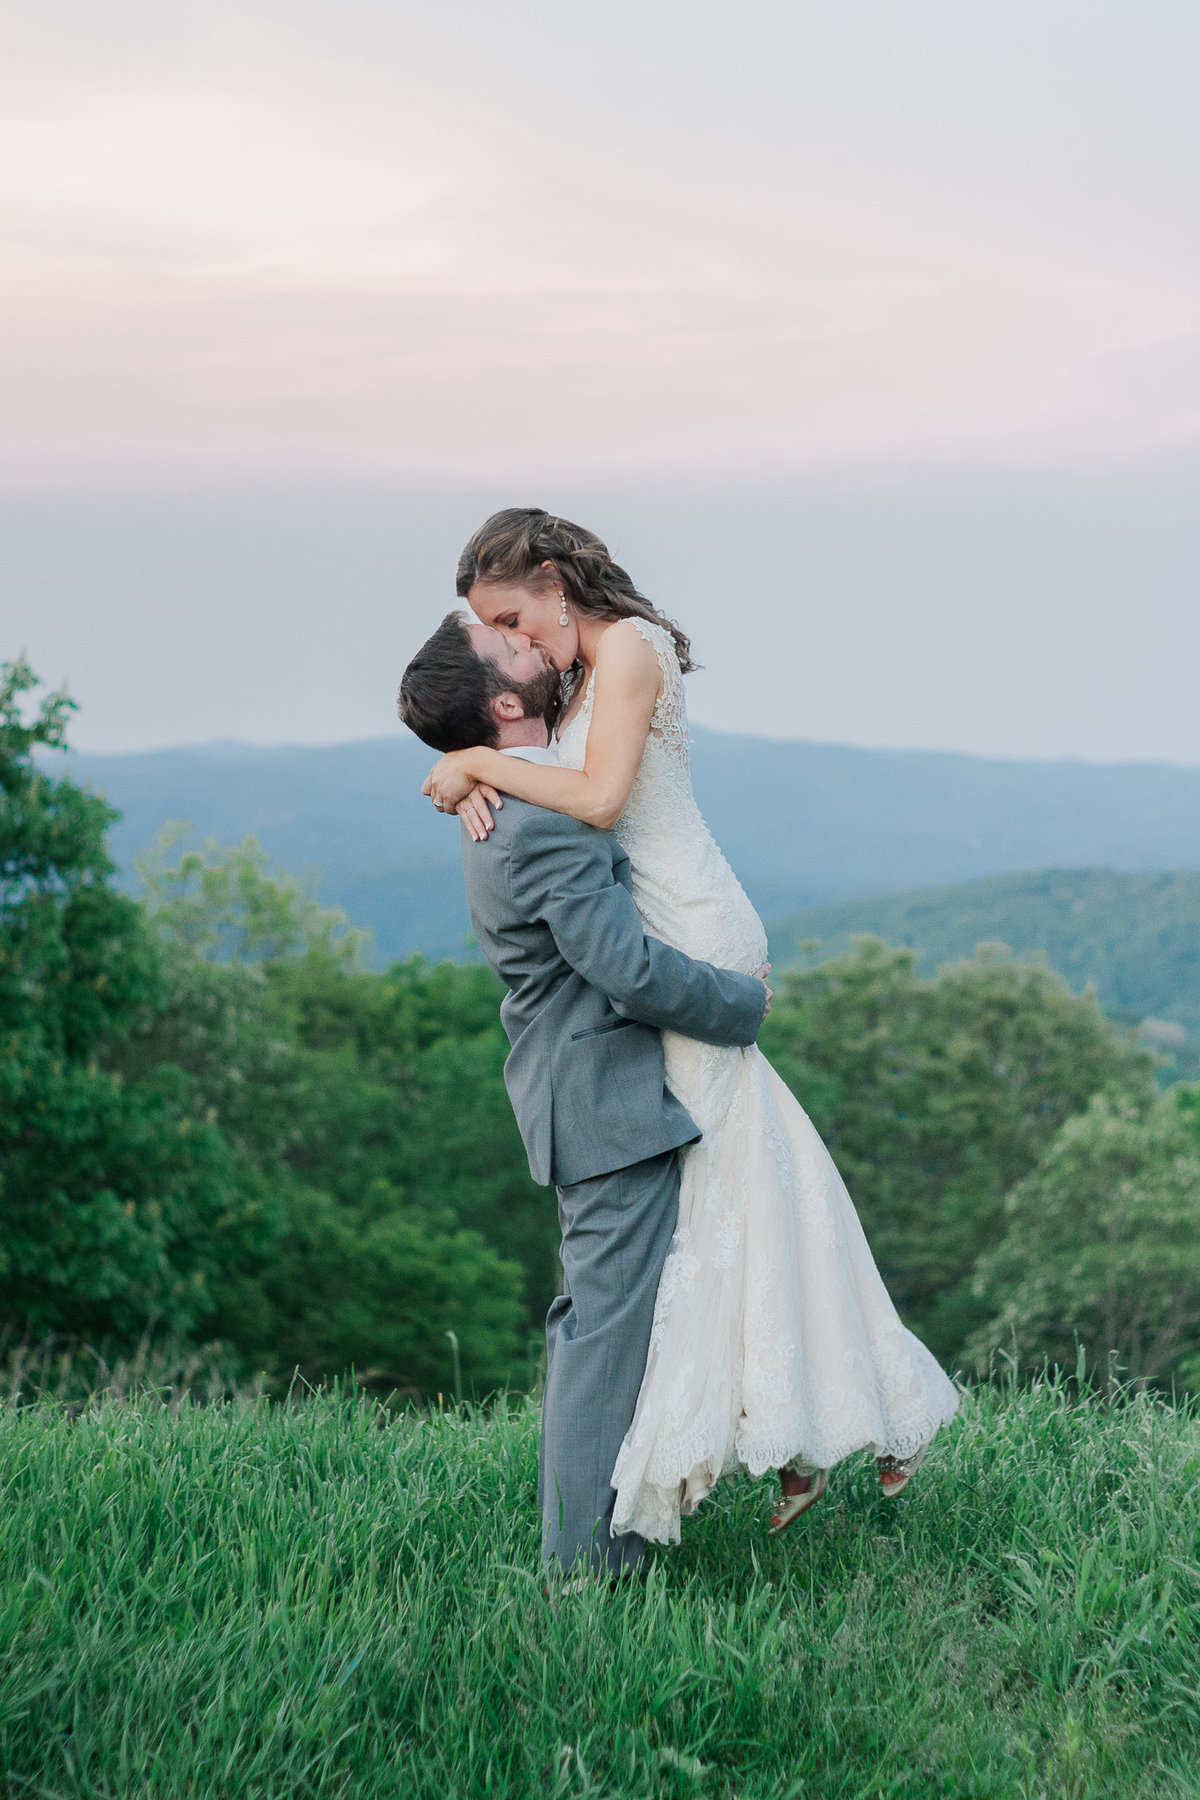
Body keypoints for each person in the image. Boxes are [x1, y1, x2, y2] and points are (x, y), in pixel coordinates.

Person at [417, 508, 960, 1546]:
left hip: (686, 936)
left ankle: (822, 1421)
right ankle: (806, 1426)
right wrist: (475, 756)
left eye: (511, 616)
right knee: (748, 1193)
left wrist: (478, 765)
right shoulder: (571, 667)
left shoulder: (625, 647)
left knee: (742, 1198)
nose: (517, 641)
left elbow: (603, 792)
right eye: (499, 633)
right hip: (652, 947)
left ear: (549, 577)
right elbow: (563, 795)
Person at [399, 612, 770, 1582]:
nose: (535, 643)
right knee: (603, 1335)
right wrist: (743, 1004)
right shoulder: (543, 823)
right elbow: (628, 970)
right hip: (601, 1103)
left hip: (577, 1095)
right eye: (513, 648)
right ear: (509, 703)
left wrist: (468, 766)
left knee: (595, 1324)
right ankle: (584, 1568)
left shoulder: (507, 800)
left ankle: (600, 1540)